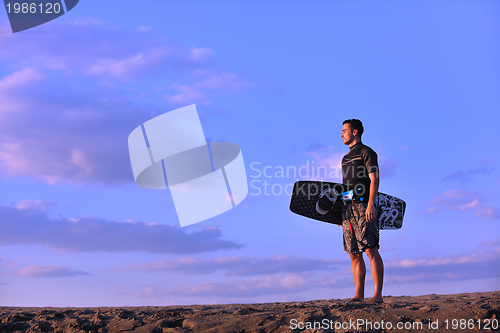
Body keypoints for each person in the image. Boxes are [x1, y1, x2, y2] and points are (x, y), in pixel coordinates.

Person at [340, 119, 384, 303]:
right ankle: (358, 295)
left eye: (344, 130)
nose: (341, 134)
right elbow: (345, 187)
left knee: (370, 249)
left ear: (355, 132)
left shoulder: (367, 152)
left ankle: (377, 295)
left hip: (364, 206)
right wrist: (341, 212)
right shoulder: (345, 158)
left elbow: (374, 179)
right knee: (353, 253)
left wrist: (371, 204)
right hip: (348, 209)